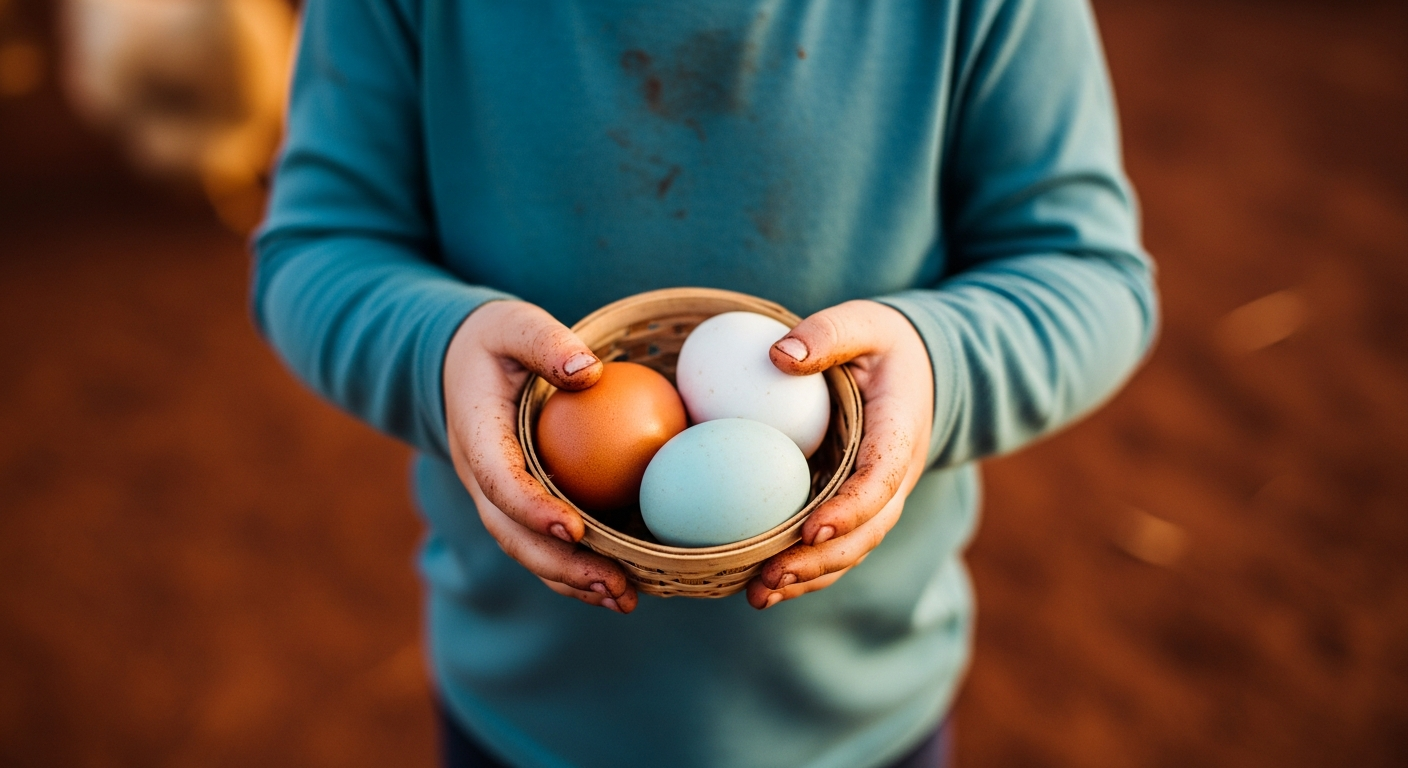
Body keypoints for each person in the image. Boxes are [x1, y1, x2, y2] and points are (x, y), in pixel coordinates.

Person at [252, 0, 1158, 765]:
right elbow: (316, 245)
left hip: (859, 717)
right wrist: (435, 351)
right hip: (528, 711)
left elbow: (1088, 273)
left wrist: (940, 361)